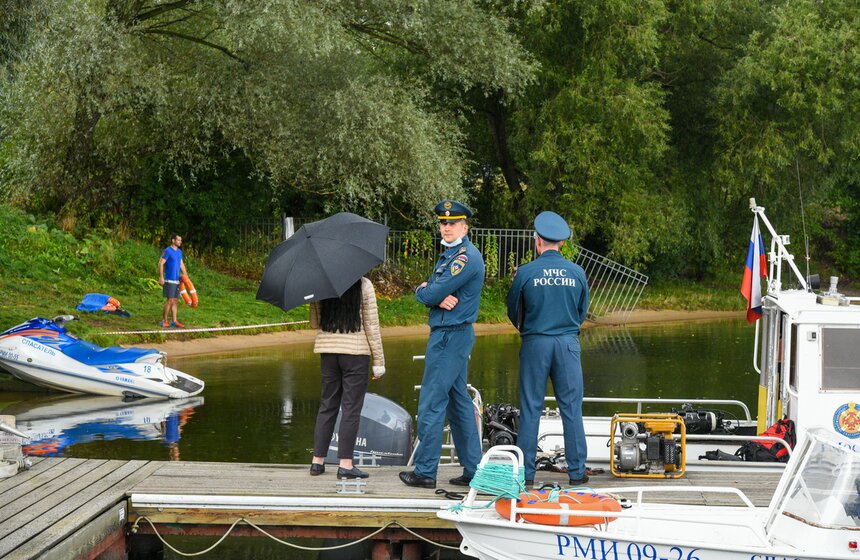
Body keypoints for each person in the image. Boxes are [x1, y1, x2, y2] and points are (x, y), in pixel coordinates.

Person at [400, 200, 485, 489]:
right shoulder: (451, 255)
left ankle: (425, 471)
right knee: (458, 404)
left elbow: (431, 291)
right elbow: (432, 292)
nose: (446, 227)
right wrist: (429, 291)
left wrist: (428, 291)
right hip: (451, 334)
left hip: (450, 335)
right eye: (443, 223)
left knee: (431, 403)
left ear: (465, 226)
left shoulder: (464, 257)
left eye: (453, 223)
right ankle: (474, 469)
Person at [506, 211, 589, 487]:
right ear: (562, 243)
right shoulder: (577, 273)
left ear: (537, 240)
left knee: (530, 408)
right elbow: (581, 311)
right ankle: (577, 474)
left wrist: (531, 329)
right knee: (571, 409)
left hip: (535, 343)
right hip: (567, 344)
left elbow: (512, 310)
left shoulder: (526, 272)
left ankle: (526, 475)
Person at [309, 277, 385, 479]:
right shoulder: (364, 284)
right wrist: (379, 362)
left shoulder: (321, 284)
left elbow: (315, 322)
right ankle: (345, 465)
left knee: (327, 405)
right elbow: (371, 325)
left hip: (328, 351)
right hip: (356, 353)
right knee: (351, 409)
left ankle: (317, 462)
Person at [158, 234, 187, 328]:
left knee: (175, 301)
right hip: (169, 280)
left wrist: (186, 275)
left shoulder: (179, 252)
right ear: (173, 240)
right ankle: (164, 321)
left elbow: (181, 264)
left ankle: (174, 322)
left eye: (180, 240)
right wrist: (161, 277)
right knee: (170, 301)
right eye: (178, 240)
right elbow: (161, 263)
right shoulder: (168, 251)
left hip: (177, 280)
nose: (180, 242)